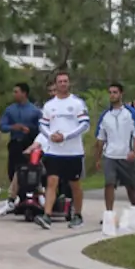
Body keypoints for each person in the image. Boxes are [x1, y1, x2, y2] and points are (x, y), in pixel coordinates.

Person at [38, 70, 89, 229]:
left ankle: (78, 214)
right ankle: (47, 215)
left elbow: (85, 124)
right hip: (54, 151)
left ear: (69, 83)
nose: (63, 84)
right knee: (52, 182)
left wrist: (65, 136)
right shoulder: (49, 105)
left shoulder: (77, 103)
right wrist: (51, 135)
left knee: (75, 184)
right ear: (55, 84)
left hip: (73, 152)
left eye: (65, 81)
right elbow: (42, 125)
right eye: (60, 81)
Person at [95, 82, 135, 231]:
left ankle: (134, 208)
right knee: (109, 183)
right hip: (110, 155)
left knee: (130, 185)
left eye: (115, 92)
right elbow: (100, 138)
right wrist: (97, 158)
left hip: (126, 154)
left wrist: (133, 150)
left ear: (121, 94)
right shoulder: (105, 116)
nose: (112, 95)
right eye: (110, 92)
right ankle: (109, 214)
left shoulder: (130, 113)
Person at [0, 83, 42, 182]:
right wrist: (13, 127)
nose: (14, 94)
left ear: (24, 93)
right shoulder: (10, 110)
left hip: (29, 144)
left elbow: (41, 129)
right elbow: (2, 126)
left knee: (28, 171)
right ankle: (16, 193)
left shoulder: (35, 111)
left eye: (16, 92)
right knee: (12, 171)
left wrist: (30, 130)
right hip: (15, 144)